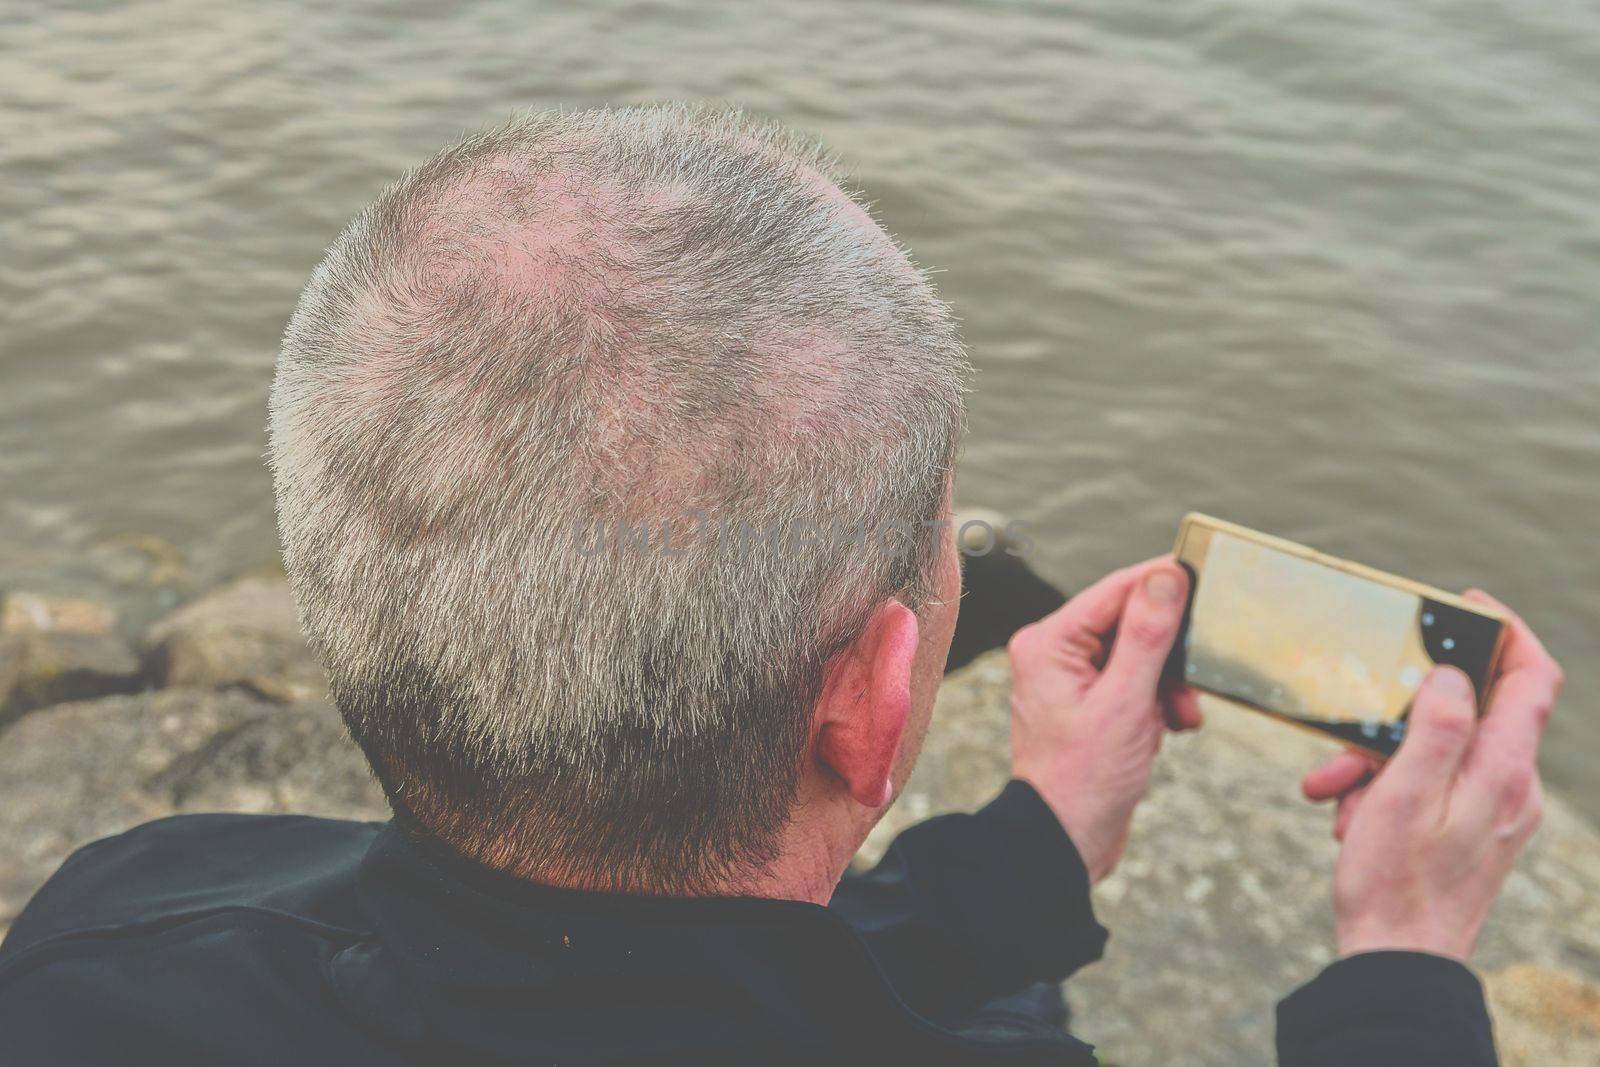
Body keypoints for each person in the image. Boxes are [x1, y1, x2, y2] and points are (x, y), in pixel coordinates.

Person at [0, 106, 1563, 1066]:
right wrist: (1406, 962)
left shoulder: (117, 944)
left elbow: (662, 992)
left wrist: (1045, 845)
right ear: (877, 709)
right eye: (946, 543)